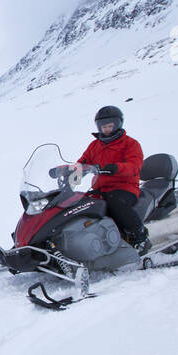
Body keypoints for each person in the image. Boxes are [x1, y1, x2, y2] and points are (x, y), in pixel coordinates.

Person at [73, 105, 150, 254]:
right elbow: (83, 161)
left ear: (118, 124)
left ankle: (140, 238)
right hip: (100, 189)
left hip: (124, 188)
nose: (107, 129)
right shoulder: (95, 145)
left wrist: (116, 168)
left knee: (116, 203)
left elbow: (134, 166)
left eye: (110, 126)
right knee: (80, 205)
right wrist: (70, 170)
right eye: (104, 126)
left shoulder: (130, 143)